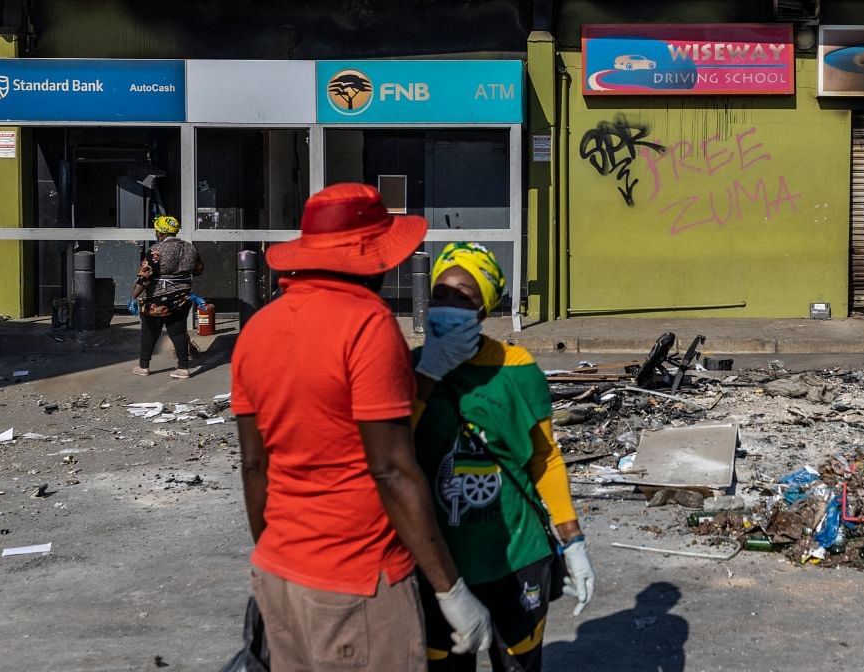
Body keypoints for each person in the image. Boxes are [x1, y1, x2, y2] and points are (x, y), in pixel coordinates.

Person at [232, 184, 493, 672]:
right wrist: (450, 587)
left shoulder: (257, 329)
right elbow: (392, 469)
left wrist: (279, 554)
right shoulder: (368, 325)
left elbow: (253, 462)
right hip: (357, 582)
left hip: (277, 574)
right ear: (373, 257)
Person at [411, 242, 597, 672]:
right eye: (441, 293)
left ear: (484, 309)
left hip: (516, 556)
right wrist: (428, 375)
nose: (448, 305)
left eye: (465, 297)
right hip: (440, 563)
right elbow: (391, 451)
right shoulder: (408, 367)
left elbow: (544, 459)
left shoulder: (517, 369)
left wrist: (573, 541)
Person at [131, 215, 203, 378]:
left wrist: (133, 296)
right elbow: (199, 269)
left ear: (161, 233)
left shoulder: (156, 251)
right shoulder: (190, 248)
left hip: (158, 299)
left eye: (157, 230)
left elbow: (144, 277)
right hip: (183, 298)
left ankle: (144, 366)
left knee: (149, 331)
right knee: (178, 331)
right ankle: (183, 368)